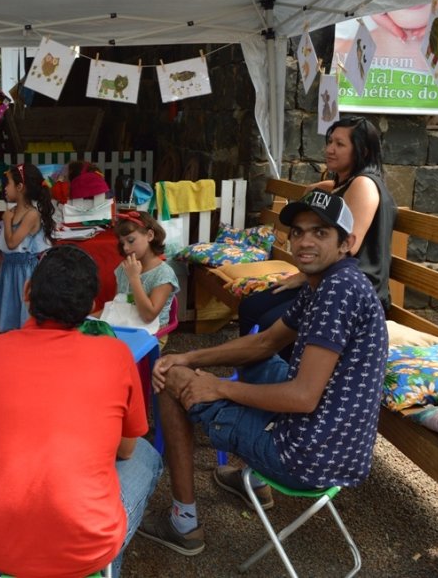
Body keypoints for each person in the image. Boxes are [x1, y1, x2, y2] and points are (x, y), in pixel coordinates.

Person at [139, 190, 388, 557]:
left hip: (308, 457)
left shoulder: (337, 293)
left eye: (320, 233)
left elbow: (302, 397)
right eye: (299, 231)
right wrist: (190, 357)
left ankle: (183, 522)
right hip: (339, 444)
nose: (305, 241)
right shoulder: (324, 282)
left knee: (170, 384)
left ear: (347, 243)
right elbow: (264, 343)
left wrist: (218, 387)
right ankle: (253, 480)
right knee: (245, 359)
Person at [0, 245, 162, 578]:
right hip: (85, 545)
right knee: (147, 455)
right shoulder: (116, 355)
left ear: (26, 292)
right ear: (92, 307)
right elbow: (125, 450)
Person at [238, 115, 397, 338]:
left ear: (363, 151)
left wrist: (303, 276)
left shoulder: (364, 185)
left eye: (340, 144)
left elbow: (348, 247)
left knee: (268, 323)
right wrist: (322, 186)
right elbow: (329, 190)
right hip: (327, 279)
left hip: (352, 290)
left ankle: (282, 372)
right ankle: (249, 370)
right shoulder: (349, 182)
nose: (330, 149)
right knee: (251, 307)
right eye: (330, 141)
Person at [0, 163, 54, 332]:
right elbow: (5, 247)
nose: (4, 188)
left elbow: (12, 243)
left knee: (24, 317)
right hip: (9, 270)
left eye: (7, 183)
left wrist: (7, 221)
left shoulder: (31, 214)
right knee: (10, 315)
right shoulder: (14, 211)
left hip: (24, 273)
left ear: (20, 187)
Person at [112, 211, 179, 334]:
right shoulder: (124, 268)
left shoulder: (163, 274)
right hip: (125, 326)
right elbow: (118, 306)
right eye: (122, 243)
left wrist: (134, 278)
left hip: (152, 334)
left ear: (149, 235)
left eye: (130, 240)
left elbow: (148, 316)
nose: (126, 248)